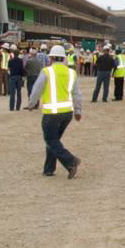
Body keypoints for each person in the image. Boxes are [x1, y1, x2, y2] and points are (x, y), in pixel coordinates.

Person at [37, 43, 83, 178]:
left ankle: (71, 161)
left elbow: (37, 89)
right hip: (67, 113)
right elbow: (77, 94)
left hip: (51, 113)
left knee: (50, 139)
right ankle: (49, 169)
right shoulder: (71, 72)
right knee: (54, 140)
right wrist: (78, 111)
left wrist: (32, 103)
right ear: (64, 58)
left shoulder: (47, 71)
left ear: (50, 58)